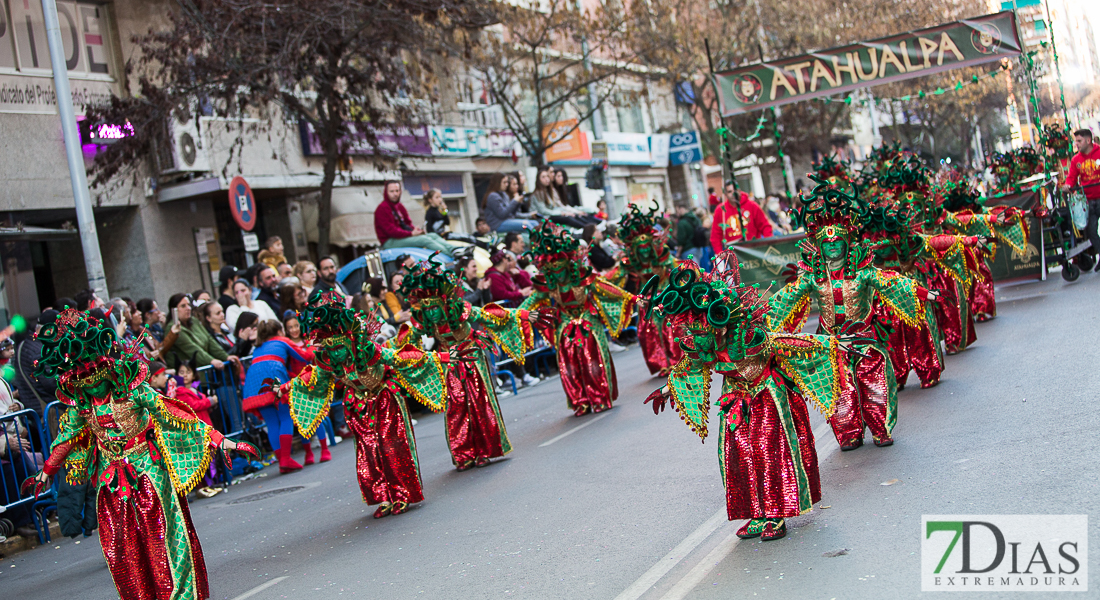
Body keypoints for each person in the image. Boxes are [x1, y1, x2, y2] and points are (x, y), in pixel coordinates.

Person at [28, 310, 256, 600]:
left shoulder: (134, 390)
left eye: (93, 374)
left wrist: (220, 441)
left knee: (165, 536)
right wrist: (45, 472)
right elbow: (67, 438)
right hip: (112, 482)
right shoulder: (80, 406)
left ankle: (181, 595)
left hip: (149, 471)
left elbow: (171, 411)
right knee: (123, 545)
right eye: (81, 378)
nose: (89, 382)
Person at [642, 257, 844, 542]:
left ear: (716, 323)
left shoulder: (747, 334)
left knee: (767, 452)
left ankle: (776, 513)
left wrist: (830, 345)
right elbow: (691, 367)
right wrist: (666, 390)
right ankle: (757, 513)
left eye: (697, 330)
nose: (692, 337)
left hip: (767, 396)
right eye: (689, 331)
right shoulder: (703, 343)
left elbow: (781, 345)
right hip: (735, 397)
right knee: (737, 454)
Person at [767, 178, 935, 450]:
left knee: (875, 384)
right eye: (828, 244)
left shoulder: (863, 270)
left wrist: (924, 293)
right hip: (831, 343)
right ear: (820, 247)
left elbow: (891, 281)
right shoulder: (813, 277)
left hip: (865, 337)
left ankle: (881, 429)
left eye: (838, 243)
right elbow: (785, 298)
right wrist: (760, 318)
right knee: (840, 392)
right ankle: (849, 434)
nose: (833, 247)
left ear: (847, 243)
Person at [281, 291, 459, 518]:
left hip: (384, 400)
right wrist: (284, 388)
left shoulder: (368, 349)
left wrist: (443, 357)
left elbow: (398, 358)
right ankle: (383, 497)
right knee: (369, 453)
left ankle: (402, 494)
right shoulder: (327, 361)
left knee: (391, 447)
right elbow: (312, 378)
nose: (335, 354)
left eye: (339, 348)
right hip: (357, 407)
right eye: (330, 349)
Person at [394, 262, 547, 470]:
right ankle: (463, 453)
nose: (430, 313)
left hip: (472, 358)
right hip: (449, 361)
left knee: (479, 402)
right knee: (455, 405)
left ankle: (485, 450)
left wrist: (526, 315)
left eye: (433, 307)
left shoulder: (461, 310)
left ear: (443, 303)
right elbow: (400, 344)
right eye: (426, 309)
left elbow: (492, 314)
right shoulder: (424, 322)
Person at [521, 220, 636, 416]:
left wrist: (632, 297)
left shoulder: (583, 276)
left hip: (588, 321)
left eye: (559, 264)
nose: (556, 270)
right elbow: (530, 302)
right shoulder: (548, 285)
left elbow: (603, 288)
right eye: (551, 266)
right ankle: (580, 401)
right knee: (569, 365)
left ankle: (599, 397)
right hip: (565, 324)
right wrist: (519, 315)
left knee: (594, 361)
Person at [607, 204, 682, 376]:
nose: (644, 251)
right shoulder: (630, 261)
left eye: (646, 246)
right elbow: (615, 275)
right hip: (646, 299)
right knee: (649, 331)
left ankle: (677, 361)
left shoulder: (663, 254)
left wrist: (698, 273)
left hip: (666, 294)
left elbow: (677, 266)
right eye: (639, 249)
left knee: (670, 328)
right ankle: (662, 363)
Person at [241, 320, 325, 473]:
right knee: (285, 417)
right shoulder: (282, 340)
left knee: (272, 422)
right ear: (279, 331)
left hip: (253, 380)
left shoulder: (258, 347)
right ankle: (286, 460)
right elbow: (305, 356)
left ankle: (282, 460)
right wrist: (313, 344)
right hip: (274, 375)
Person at [373, 180, 455, 255]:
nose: (395, 194)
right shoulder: (382, 208)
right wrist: (411, 233)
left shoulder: (399, 206)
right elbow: (391, 231)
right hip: (390, 241)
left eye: (397, 191)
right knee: (424, 240)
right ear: (386, 192)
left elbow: (407, 223)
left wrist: (416, 231)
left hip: (403, 237)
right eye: (392, 191)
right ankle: (451, 255)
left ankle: (455, 250)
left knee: (433, 236)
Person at [164, 293, 232, 370]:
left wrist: (226, 356)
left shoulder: (194, 321)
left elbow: (209, 340)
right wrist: (211, 360)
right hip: (186, 373)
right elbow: (192, 348)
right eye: (183, 306)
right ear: (174, 310)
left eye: (189, 305)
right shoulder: (173, 328)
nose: (188, 308)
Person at [12, 310, 59, 415]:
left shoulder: (25, 344)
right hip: (48, 412)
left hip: (35, 408)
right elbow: (51, 383)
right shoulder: (40, 351)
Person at [1066, 128, 1100, 271]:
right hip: (1088, 201)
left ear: (1088, 140)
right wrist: (1067, 185)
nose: (1077, 144)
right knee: (1091, 231)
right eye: (1076, 141)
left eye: (1079, 141)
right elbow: (1072, 177)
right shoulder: (1076, 160)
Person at [711, 182, 772, 253]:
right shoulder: (720, 210)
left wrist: (768, 244)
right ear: (725, 194)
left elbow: (765, 226)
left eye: (735, 190)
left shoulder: (752, 206)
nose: (733, 194)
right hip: (733, 254)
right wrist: (719, 252)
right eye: (730, 192)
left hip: (755, 251)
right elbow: (716, 235)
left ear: (740, 190)